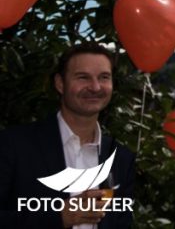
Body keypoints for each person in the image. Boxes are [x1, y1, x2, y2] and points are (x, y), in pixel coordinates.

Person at [0, 42, 136, 228]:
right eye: (83, 77)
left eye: (104, 77)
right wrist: (59, 218)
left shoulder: (121, 158)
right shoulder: (13, 145)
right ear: (60, 83)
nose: (95, 87)